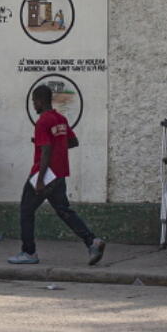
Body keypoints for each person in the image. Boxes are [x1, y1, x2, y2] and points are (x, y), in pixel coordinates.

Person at [9, 84, 106, 266]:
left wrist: (39, 180)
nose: (33, 105)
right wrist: (52, 145)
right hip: (59, 173)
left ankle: (28, 252)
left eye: (33, 102)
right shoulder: (60, 119)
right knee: (64, 211)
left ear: (39, 100)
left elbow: (46, 151)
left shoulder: (43, 121)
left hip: (44, 173)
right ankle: (92, 241)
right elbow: (72, 142)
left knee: (26, 210)